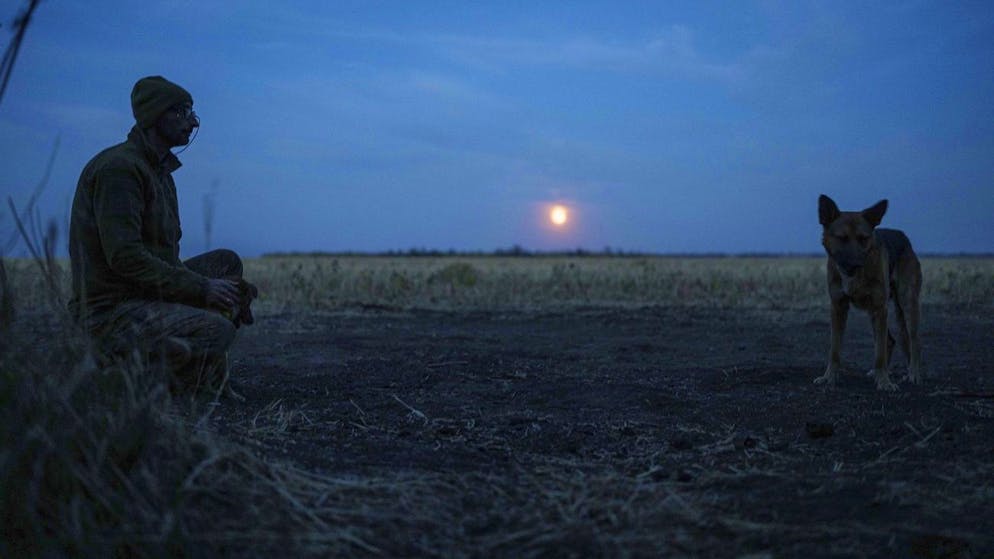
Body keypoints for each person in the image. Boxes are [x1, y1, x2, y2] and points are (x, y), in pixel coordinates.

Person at [68, 75, 256, 396]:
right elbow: (125, 258)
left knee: (226, 263)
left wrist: (219, 291)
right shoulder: (120, 170)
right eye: (181, 112)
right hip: (112, 311)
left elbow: (164, 258)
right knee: (217, 331)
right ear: (155, 115)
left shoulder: (159, 171)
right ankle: (124, 375)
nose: (192, 123)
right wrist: (201, 289)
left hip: (143, 293)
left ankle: (187, 361)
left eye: (191, 112)